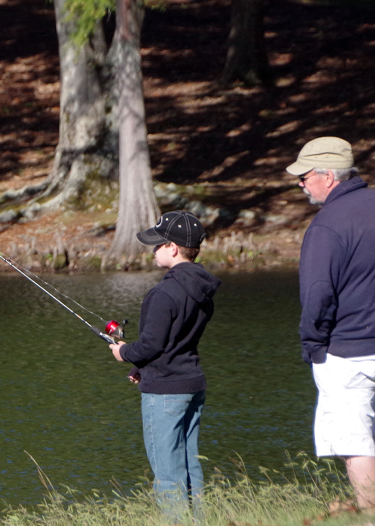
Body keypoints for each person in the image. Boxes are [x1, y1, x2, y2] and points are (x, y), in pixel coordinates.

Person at [287, 136, 375, 512]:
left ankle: (369, 508)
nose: (301, 184)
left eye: (304, 177)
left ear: (328, 176)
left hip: (350, 346)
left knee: (352, 431)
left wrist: (312, 343)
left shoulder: (327, 224)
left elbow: (317, 294)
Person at [109, 210, 221, 520]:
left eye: (157, 244)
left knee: (167, 471)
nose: (153, 250)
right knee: (189, 464)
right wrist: (142, 367)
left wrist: (124, 352)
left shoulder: (162, 293)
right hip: (192, 383)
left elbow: (150, 345)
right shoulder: (202, 290)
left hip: (165, 392)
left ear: (173, 248)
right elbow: (176, 341)